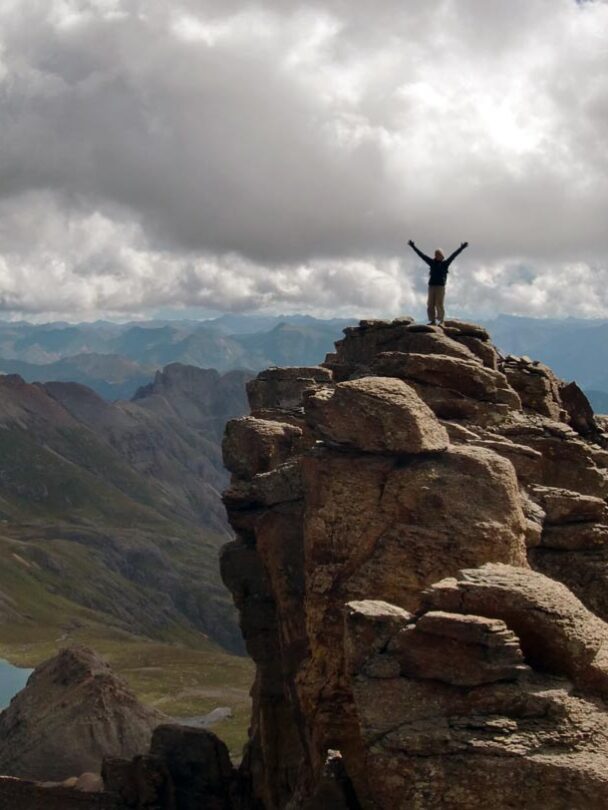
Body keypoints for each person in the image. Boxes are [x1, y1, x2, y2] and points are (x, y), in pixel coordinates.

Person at [407, 239, 469, 325]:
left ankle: (441, 320)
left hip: (440, 287)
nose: (437, 256)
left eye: (439, 254)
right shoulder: (432, 262)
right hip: (432, 286)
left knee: (439, 304)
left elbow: (454, 255)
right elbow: (422, 255)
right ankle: (432, 320)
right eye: (436, 254)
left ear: (442, 256)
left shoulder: (445, 264)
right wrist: (413, 246)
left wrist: (461, 248)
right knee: (430, 304)